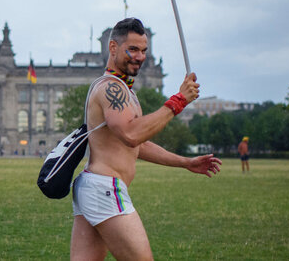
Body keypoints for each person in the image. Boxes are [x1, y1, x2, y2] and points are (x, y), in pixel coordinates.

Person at [70, 18, 221, 261]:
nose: (140, 57)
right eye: (132, 49)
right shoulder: (112, 88)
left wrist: (185, 162)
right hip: (105, 188)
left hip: (92, 187)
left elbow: (138, 145)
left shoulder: (124, 90)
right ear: (112, 48)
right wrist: (178, 101)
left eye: (143, 51)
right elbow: (132, 135)